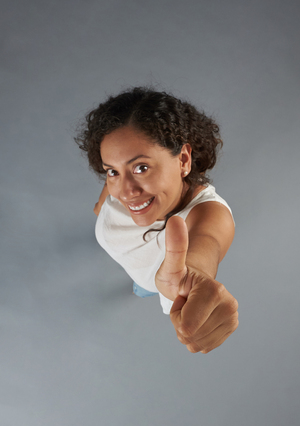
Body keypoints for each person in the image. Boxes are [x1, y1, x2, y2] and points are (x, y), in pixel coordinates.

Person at [75, 86, 239, 354]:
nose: (126, 191)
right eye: (113, 171)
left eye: (141, 167)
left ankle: (140, 288)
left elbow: (206, 243)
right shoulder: (120, 189)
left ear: (183, 159)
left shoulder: (211, 214)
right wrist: (100, 206)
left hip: (153, 280)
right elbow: (113, 191)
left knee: (144, 287)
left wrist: (195, 275)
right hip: (132, 263)